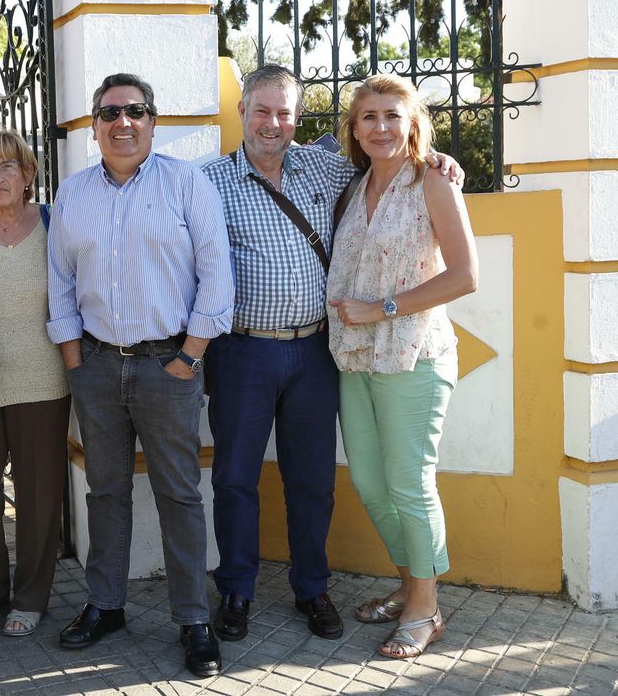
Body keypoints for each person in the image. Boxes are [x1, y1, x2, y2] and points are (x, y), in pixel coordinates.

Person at [199, 66, 464, 644]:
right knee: (237, 477)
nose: (274, 123)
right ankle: (237, 590)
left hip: (319, 353)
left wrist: (443, 160)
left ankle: (311, 589)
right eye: (263, 110)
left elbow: (397, 159)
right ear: (242, 110)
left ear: (299, 117)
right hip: (242, 353)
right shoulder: (208, 181)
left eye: (286, 112)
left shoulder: (327, 166)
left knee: (313, 480)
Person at [47, 72, 234, 678]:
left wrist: (190, 357)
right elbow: (62, 286)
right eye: (109, 113)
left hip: (167, 366)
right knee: (104, 492)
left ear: (153, 121)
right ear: (94, 124)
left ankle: (192, 618)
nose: (122, 123)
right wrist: (75, 361)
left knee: (179, 493)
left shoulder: (188, 183)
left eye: (135, 111)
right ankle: (106, 605)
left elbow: (216, 277)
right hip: (96, 366)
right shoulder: (73, 194)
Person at [326, 73, 478, 660]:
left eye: (394, 115)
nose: (381, 127)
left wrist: (382, 308)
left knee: (410, 484)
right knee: (369, 482)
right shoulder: (352, 183)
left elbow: (465, 276)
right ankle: (409, 584)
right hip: (354, 356)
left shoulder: (434, 181)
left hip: (414, 354)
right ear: (354, 127)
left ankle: (425, 607)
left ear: (414, 123)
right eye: (369, 117)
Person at [0, 131, 69, 638]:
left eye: (8, 167)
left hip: (45, 379)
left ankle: (31, 597)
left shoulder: (54, 223)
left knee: (39, 495)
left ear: (27, 173)